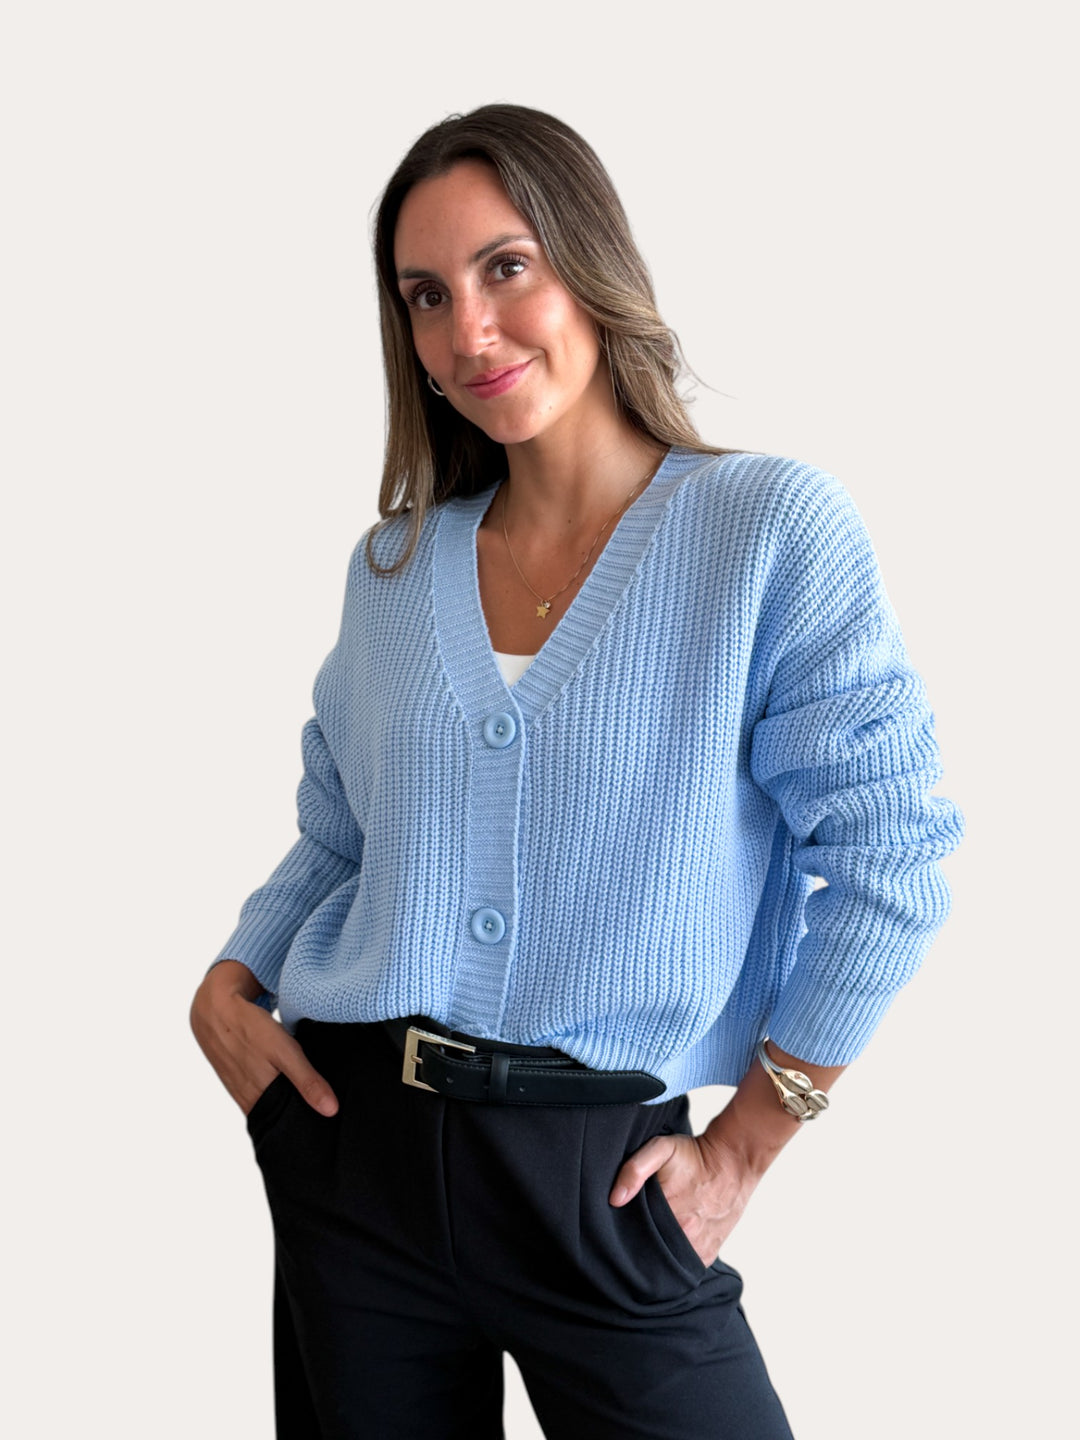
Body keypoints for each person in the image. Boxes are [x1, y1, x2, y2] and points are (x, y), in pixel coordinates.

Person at [190, 103, 965, 1439]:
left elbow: (894, 857)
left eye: (507, 268)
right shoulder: (394, 568)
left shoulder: (766, 532)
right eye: (426, 296)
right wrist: (231, 981)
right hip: (355, 1160)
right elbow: (340, 832)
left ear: (590, 265)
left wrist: (744, 1148)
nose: (469, 331)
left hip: (607, 1182)